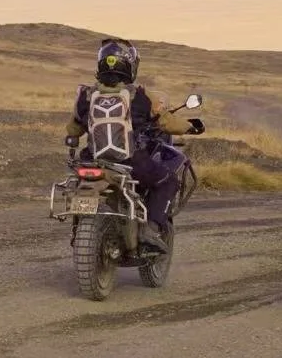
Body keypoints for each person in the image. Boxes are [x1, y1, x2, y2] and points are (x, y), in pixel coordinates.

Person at [65, 38, 190, 254]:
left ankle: (79, 230)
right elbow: (169, 123)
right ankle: (151, 229)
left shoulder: (85, 96)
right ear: (130, 66)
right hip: (129, 162)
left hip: (92, 160)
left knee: (78, 182)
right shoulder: (139, 96)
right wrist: (188, 127)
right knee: (167, 181)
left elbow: (73, 130)